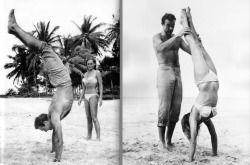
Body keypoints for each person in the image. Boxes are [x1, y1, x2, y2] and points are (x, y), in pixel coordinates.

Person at [8, 9, 73, 162]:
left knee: (43, 47)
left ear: (45, 122)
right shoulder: (53, 115)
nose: (44, 131)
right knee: (42, 49)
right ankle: (13, 29)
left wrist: (58, 158)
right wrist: (52, 149)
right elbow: (55, 134)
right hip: (60, 82)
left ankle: (13, 28)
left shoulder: (54, 114)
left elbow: (60, 138)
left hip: (62, 80)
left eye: (42, 129)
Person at [180, 7, 218, 162]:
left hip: (204, 80)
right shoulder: (205, 118)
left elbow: (193, 141)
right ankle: (189, 17)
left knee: (195, 45)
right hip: (214, 78)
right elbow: (213, 135)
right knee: (199, 46)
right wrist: (214, 154)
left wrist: (190, 160)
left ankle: (185, 20)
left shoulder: (194, 116)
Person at [152, 13, 191, 150]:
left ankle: (168, 140)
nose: (170, 28)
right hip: (164, 71)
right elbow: (160, 48)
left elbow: (190, 50)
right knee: (164, 107)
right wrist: (177, 35)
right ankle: (161, 142)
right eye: (168, 25)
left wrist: (197, 42)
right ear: (162, 24)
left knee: (176, 108)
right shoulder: (157, 37)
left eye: (173, 26)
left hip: (177, 72)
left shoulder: (177, 39)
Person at [78, 58, 103, 141]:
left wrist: (101, 97)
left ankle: (98, 137)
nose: (89, 65)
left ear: (94, 64)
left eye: (91, 63)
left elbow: (101, 85)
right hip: (86, 96)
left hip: (93, 95)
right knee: (88, 117)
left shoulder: (97, 72)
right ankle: (89, 136)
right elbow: (83, 88)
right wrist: (80, 98)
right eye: (88, 64)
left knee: (94, 117)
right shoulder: (85, 74)